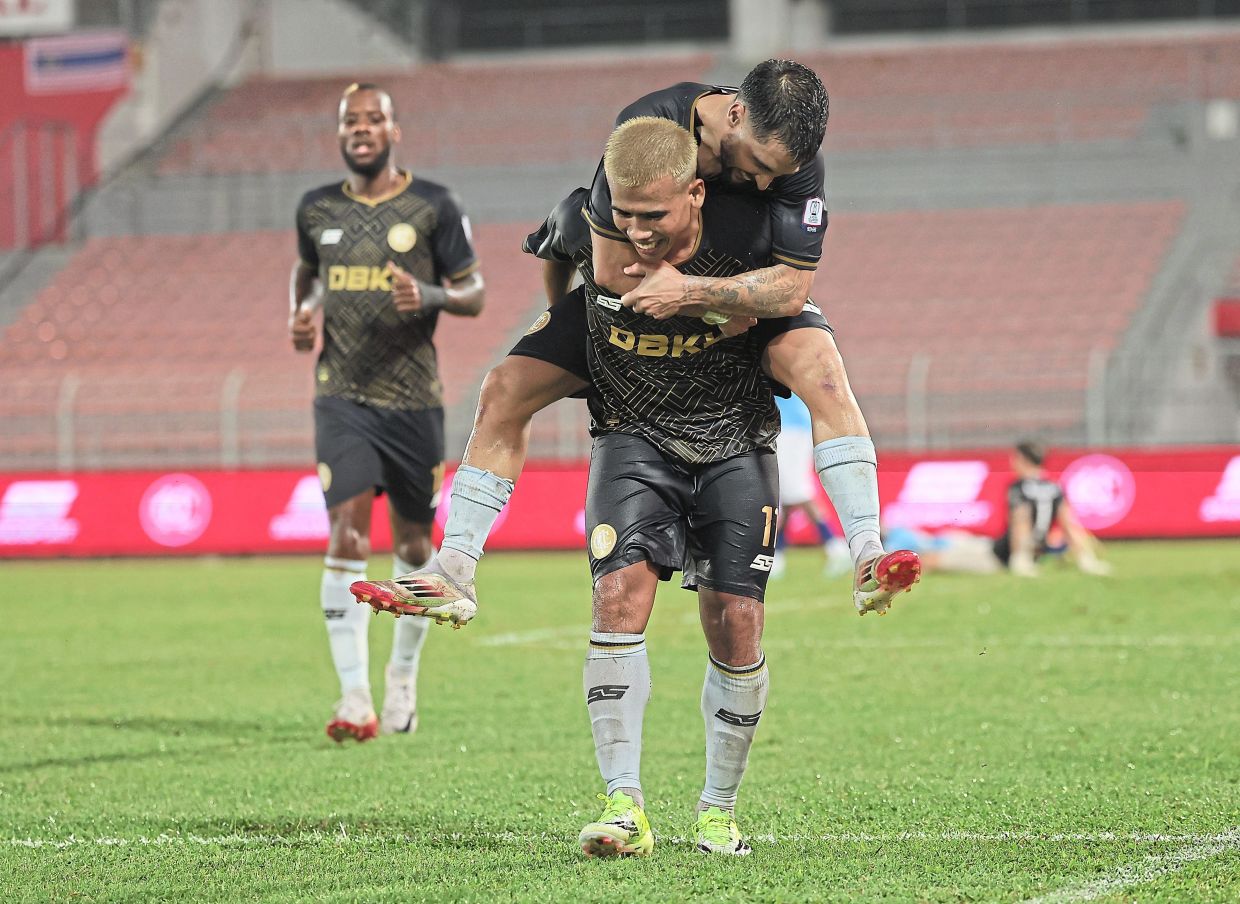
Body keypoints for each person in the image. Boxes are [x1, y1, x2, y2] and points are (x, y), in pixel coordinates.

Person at [352, 60, 919, 625]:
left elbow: (793, 288)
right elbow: (617, 268)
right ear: (736, 114)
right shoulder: (646, 131)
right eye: (760, 166)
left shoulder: (790, 154)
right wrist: (718, 305)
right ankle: (454, 569)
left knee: (824, 370)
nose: (769, 184)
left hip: (732, 292)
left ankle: (867, 552)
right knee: (504, 388)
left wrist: (704, 294)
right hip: (646, 306)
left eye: (780, 173)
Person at [288, 82, 485, 742]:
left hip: (412, 402)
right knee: (345, 535)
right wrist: (304, 309)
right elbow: (307, 270)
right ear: (340, 132)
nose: (361, 128)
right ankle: (354, 699)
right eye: (351, 120)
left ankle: (402, 677)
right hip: (340, 396)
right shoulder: (315, 208)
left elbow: (474, 291)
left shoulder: (433, 204)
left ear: (394, 129)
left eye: (373, 118)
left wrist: (427, 293)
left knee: (410, 547)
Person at [887, 441, 1111, 577]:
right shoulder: (1054, 488)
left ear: (1022, 459)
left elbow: (1020, 523)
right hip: (1004, 549)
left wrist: (1019, 558)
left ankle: (885, 570)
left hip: (998, 556)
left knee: (930, 559)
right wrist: (1086, 559)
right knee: (953, 537)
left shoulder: (1019, 488)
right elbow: (1069, 526)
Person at [771, 393, 852, 579]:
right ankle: (778, 554)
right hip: (789, 426)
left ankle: (834, 546)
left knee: (795, 491)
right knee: (787, 493)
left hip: (789, 428)